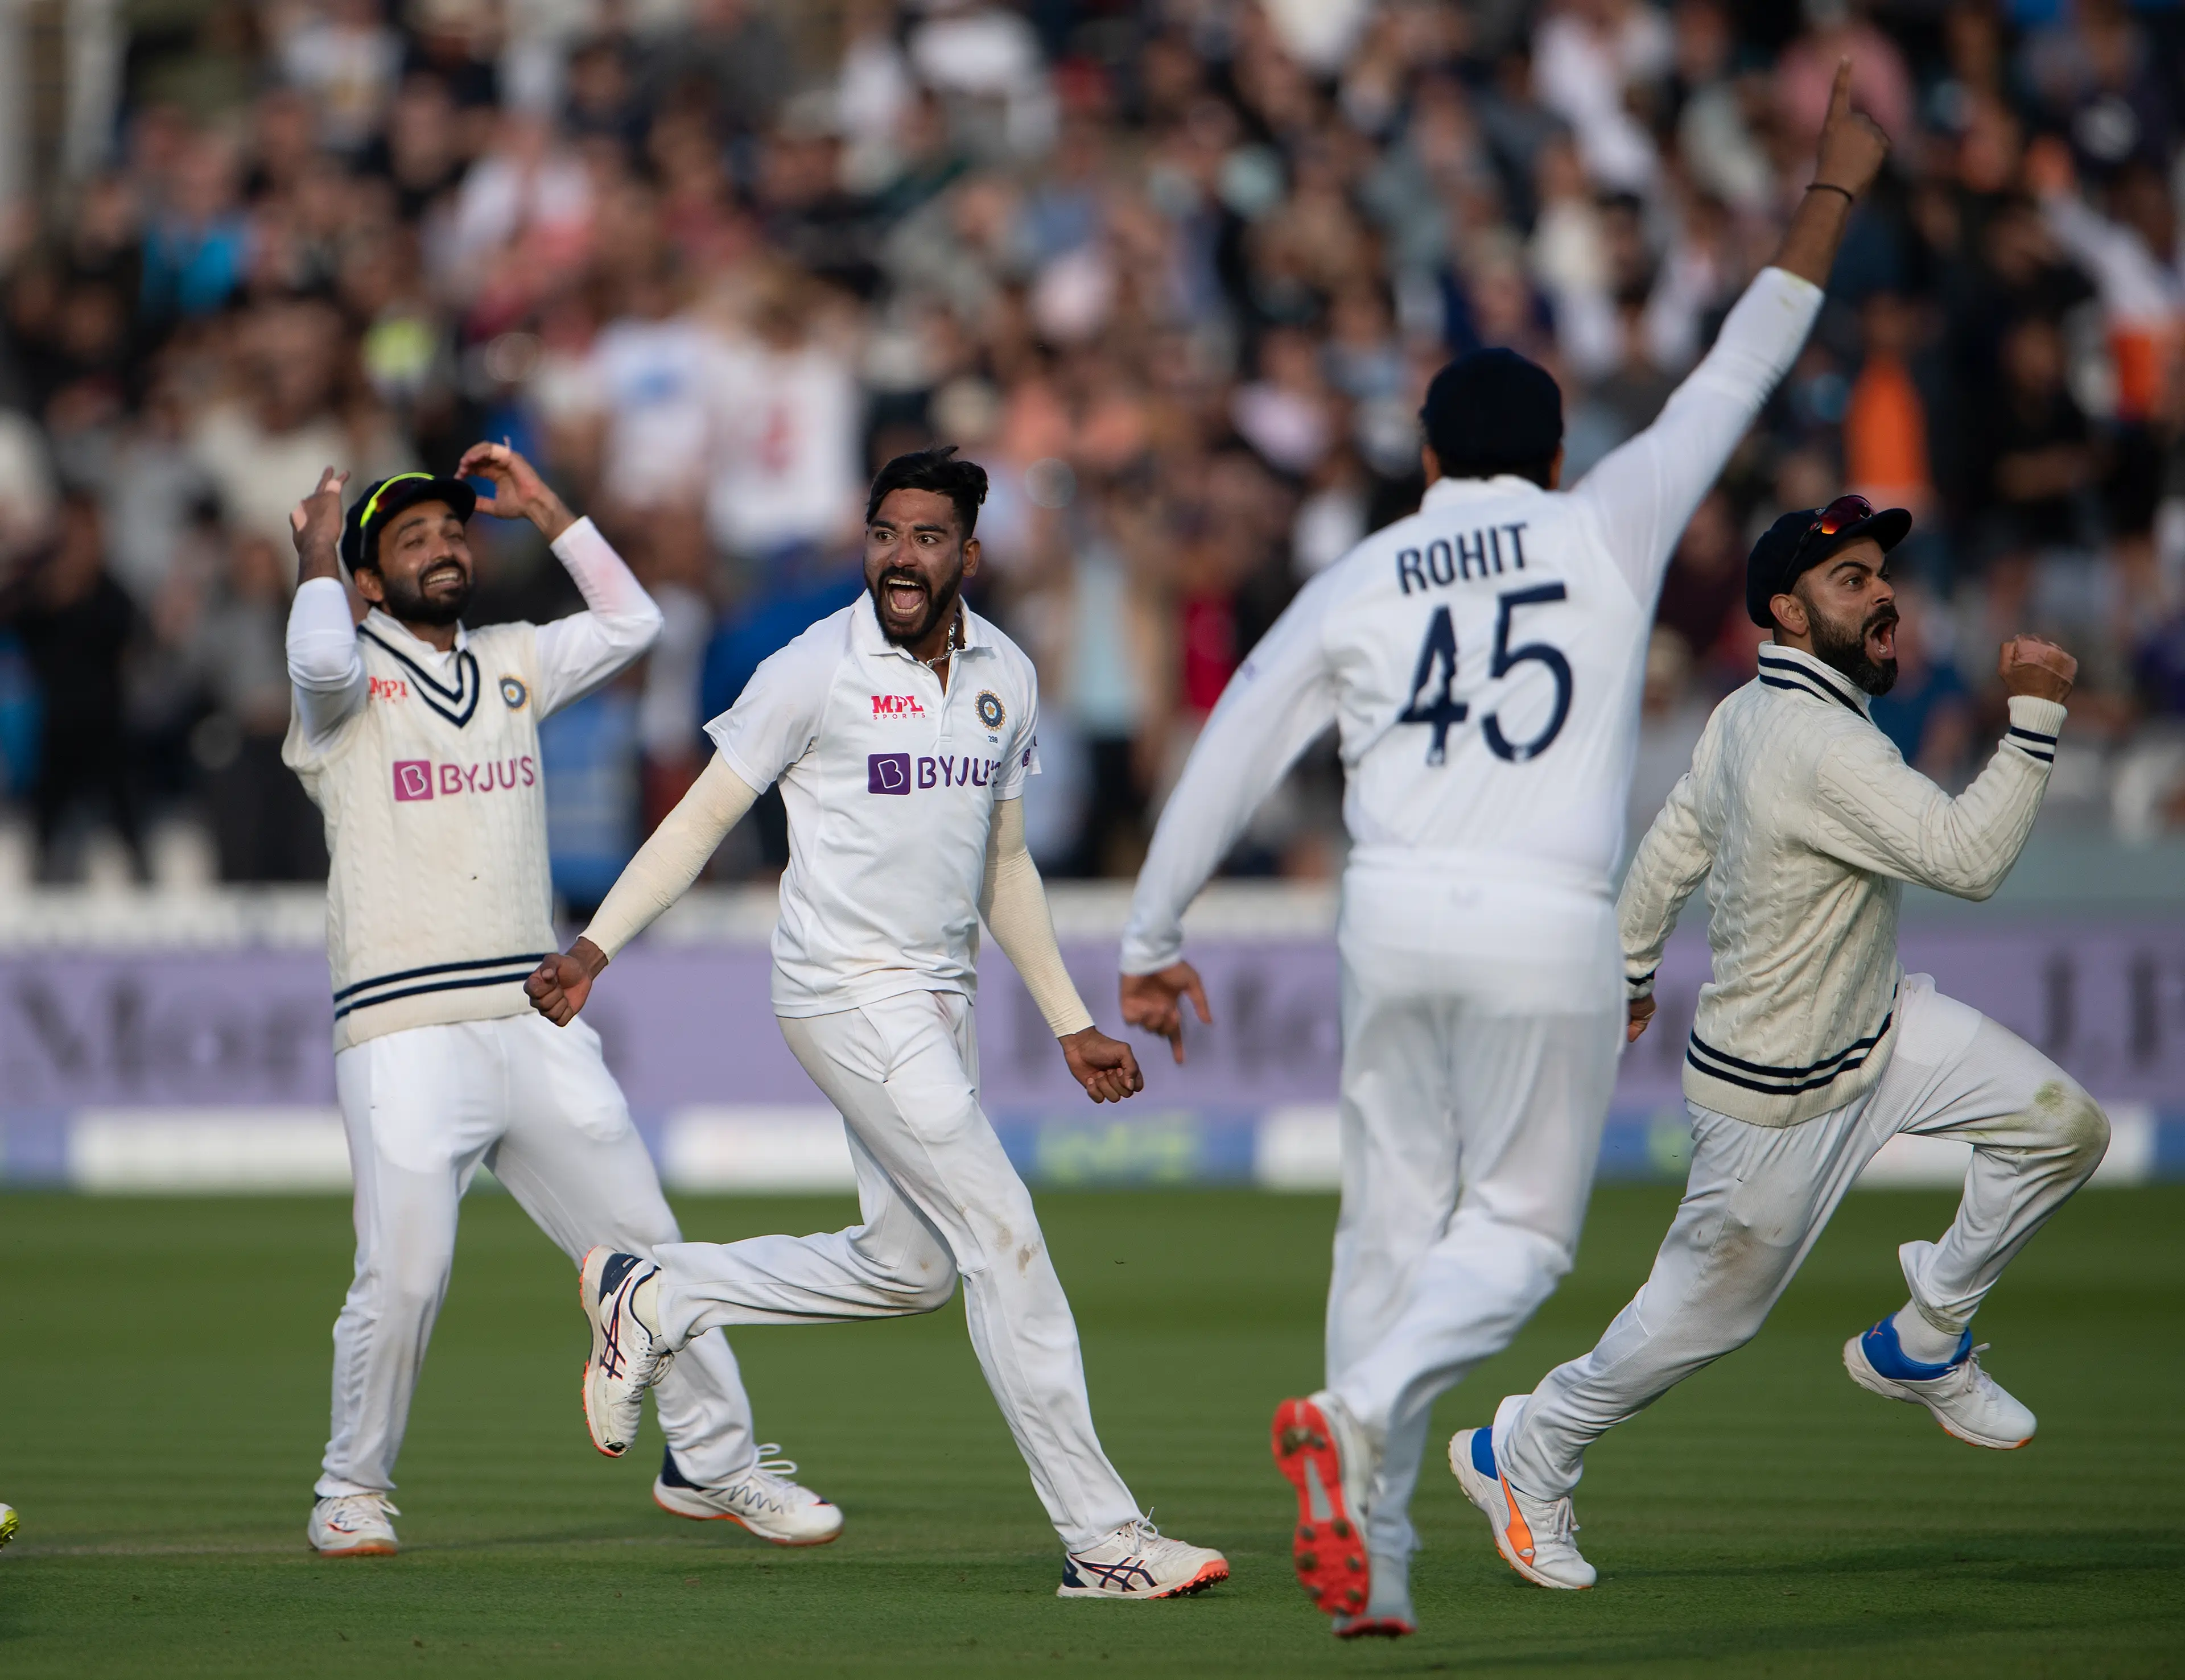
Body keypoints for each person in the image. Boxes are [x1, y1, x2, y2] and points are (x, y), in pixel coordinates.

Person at [1114, 64, 1891, 1638]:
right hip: (1544, 923)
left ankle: (1379, 1560)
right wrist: (1831, 192)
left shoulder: (1368, 570)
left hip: (1388, 915)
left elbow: (1237, 738)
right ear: (1551, 454)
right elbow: (1740, 369)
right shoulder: (1608, 519)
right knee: (1524, 1240)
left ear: (1423, 459)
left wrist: (1149, 938)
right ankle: (1366, 1423)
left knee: (1386, 1225)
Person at [523, 447, 1230, 1603]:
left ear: (970, 553)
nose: (902, 558)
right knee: (1006, 1239)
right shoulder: (814, 667)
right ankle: (1104, 1537)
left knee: (911, 1271)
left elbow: (1004, 861)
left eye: (927, 538)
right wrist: (597, 944)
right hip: (844, 990)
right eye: (886, 534)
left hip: (936, 1000)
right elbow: (702, 817)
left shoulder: (1005, 672)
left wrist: (1068, 1019)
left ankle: (657, 1294)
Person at [1449, 501, 2106, 1589]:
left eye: (1880, 572)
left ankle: (1927, 1332)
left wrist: (1629, 967)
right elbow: (1968, 858)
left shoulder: (1747, 712)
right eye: (1850, 581)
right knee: (1692, 1331)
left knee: (2062, 1130)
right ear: (1789, 614)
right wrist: (2033, 718)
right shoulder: (1818, 740)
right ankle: (1527, 1452)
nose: (1883, 591)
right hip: (1775, 1103)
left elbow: (1674, 842)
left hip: (1880, 1034)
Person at [282, 444, 835, 1559]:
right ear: (369, 585)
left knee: (646, 1249)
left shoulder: (511, 660)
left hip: (528, 1017)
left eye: (451, 530)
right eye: (408, 540)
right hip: (401, 1030)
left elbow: (635, 627)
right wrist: (311, 564)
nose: (442, 545)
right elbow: (320, 661)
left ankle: (715, 1466)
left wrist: (555, 515)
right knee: (409, 1272)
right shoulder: (341, 685)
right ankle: (351, 1487)